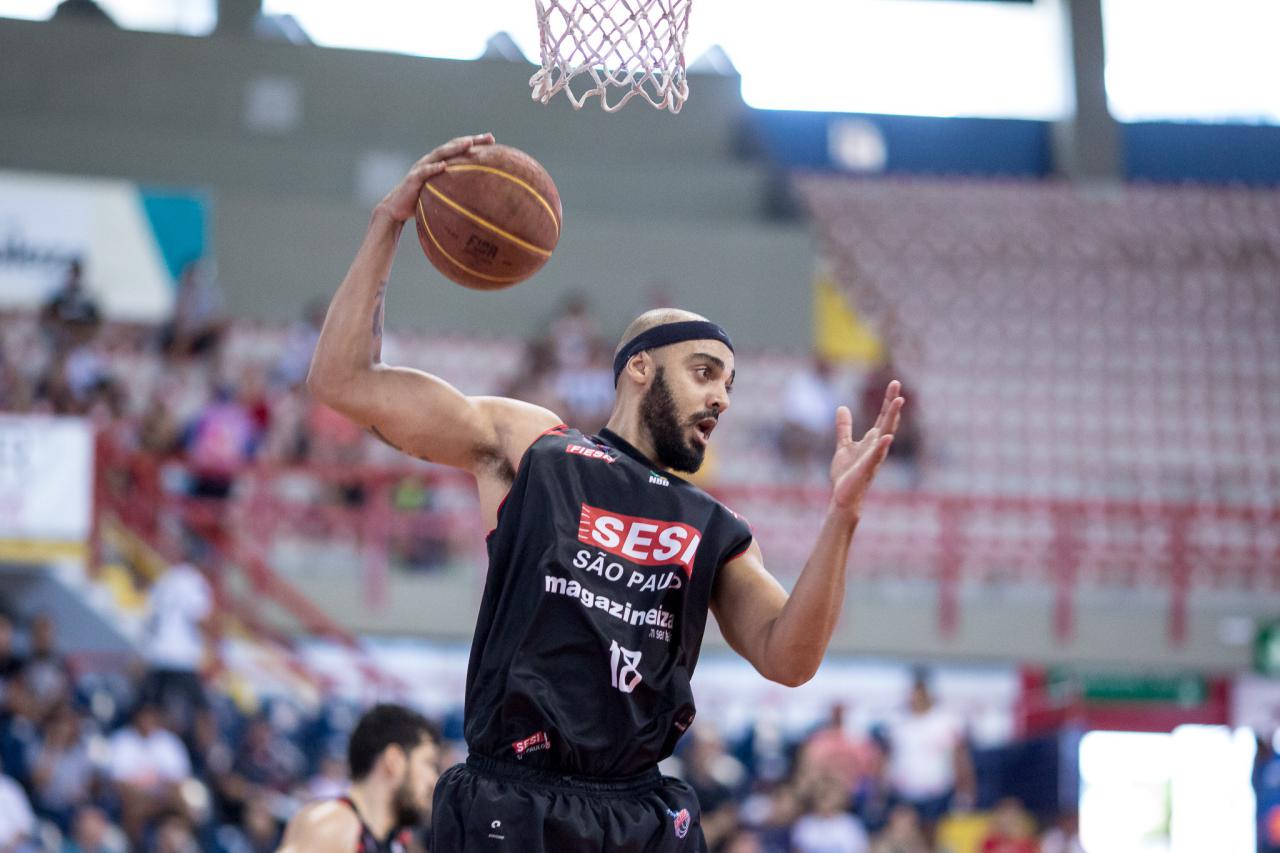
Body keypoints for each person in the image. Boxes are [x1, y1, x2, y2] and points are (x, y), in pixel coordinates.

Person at [305, 133, 905, 853]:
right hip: (513, 795)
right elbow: (343, 380)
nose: (721, 398)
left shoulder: (709, 523)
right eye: (706, 371)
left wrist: (842, 517)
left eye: (730, 385)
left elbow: (789, 657)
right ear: (640, 369)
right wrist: (388, 223)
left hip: (638, 811)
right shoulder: (537, 446)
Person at [276, 703, 441, 853]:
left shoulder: (397, 841)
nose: (433, 780)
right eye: (428, 763)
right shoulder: (331, 826)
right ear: (394, 761)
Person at [884, 672, 975, 842]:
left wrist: (965, 792)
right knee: (900, 836)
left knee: (931, 836)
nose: (915, 699)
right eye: (913, 694)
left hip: (936, 792)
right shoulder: (897, 722)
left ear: (928, 694)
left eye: (920, 694)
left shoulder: (946, 721)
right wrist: (881, 792)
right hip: (903, 792)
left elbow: (960, 759)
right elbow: (886, 759)